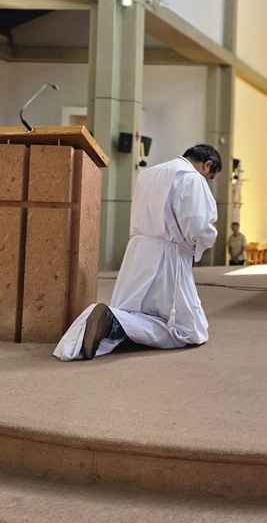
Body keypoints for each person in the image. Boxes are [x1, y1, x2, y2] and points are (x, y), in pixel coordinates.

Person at [53, 144, 221, 361]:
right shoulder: (192, 178)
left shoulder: (148, 174)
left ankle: (113, 321)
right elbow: (198, 225)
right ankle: (114, 322)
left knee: (136, 308)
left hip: (138, 252)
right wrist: (204, 242)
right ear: (207, 165)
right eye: (210, 176)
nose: (207, 180)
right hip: (168, 254)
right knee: (187, 330)